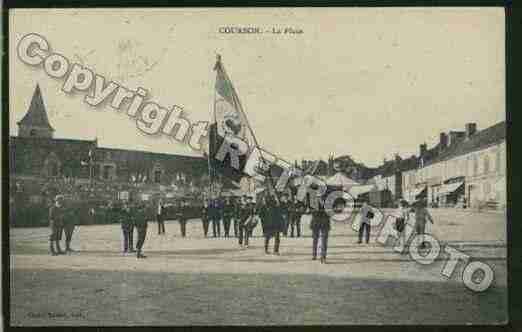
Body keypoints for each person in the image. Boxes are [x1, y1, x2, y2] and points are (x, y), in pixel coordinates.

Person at [310, 192, 330, 263]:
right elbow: (311, 211)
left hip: (325, 222)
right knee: (315, 239)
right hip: (316, 222)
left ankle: (323, 257)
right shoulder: (313, 201)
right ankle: (314, 254)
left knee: (324, 241)